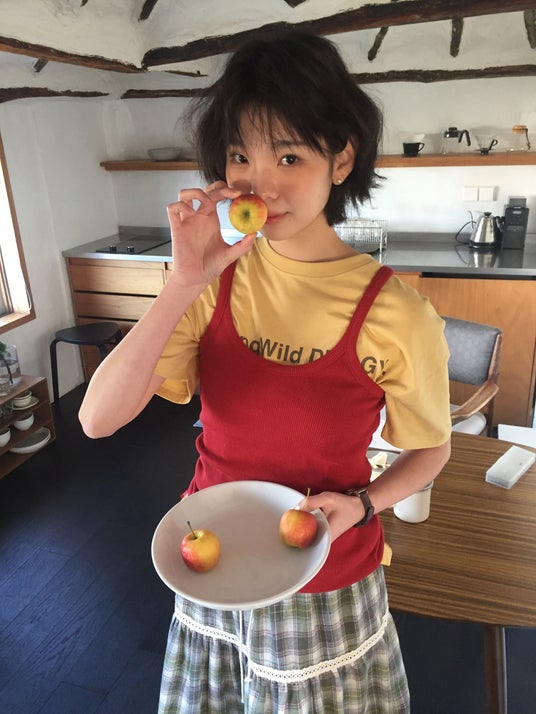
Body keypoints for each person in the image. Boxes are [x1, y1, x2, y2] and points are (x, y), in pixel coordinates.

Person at [79, 31, 451, 714]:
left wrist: (365, 504)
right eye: (239, 155)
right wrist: (181, 282)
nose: (261, 183)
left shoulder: (398, 314)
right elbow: (97, 420)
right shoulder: (211, 283)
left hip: (326, 573)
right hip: (213, 557)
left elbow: (431, 450)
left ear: (341, 158)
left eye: (288, 155)